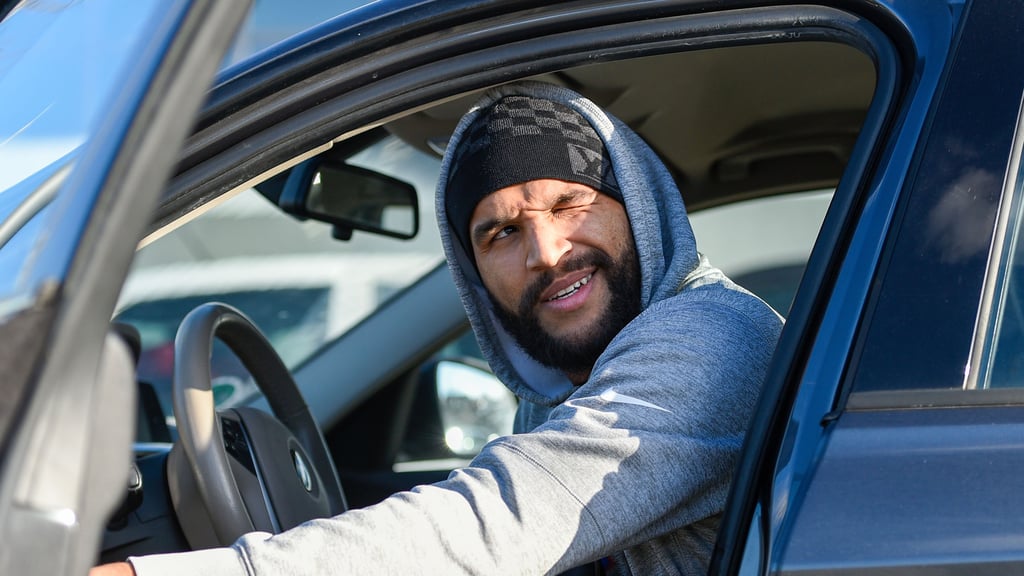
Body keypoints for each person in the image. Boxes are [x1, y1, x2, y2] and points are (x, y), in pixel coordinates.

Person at [93, 80, 782, 575]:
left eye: (571, 204)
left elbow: (493, 525)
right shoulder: (563, 393)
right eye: (501, 233)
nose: (544, 253)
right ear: (476, 279)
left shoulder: (710, 341)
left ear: (636, 208)